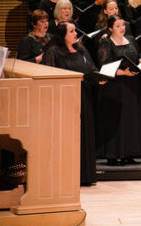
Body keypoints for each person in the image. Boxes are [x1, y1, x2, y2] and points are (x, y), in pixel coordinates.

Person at [42, 21, 104, 186]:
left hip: (85, 97)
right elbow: (49, 76)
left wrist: (99, 78)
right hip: (67, 100)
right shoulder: (54, 52)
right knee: (70, 138)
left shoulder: (81, 49)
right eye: (71, 31)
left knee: (86, 134)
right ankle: (68, 176)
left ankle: (86, 176)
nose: (76, 33)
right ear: (62, 35)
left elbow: (92, 69)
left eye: (75, 30)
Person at [96, 15, 141, 166]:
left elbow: (137, 54)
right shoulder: (106, 43)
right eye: (117, 26)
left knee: (130, 119)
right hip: (115, 86)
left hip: (132, 85)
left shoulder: (130, 39)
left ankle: (129, 153)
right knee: (116, 119)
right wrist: (123, 72)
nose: (122, 28)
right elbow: (104, 66)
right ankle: (113, 154)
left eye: (123, 25)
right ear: (110, 28)